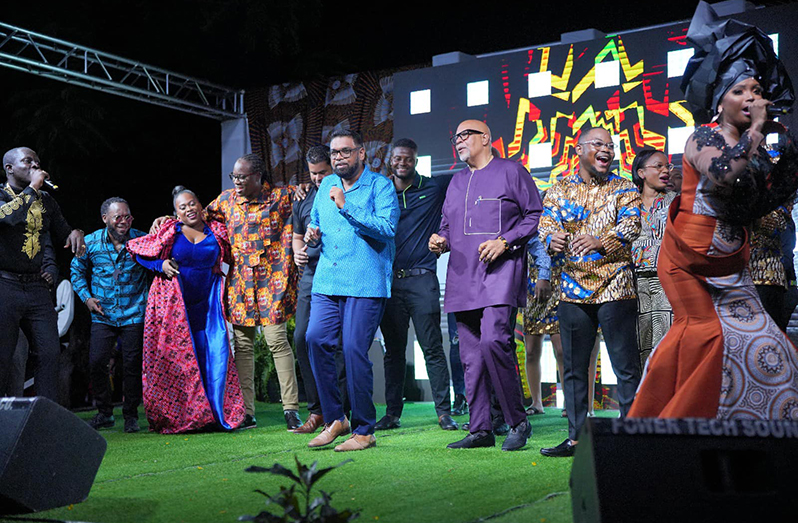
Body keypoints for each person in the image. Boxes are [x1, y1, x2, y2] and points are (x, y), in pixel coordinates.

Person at [629, 2, 798, 419]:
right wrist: (756, 132)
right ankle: (668, 428)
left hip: (731, 262)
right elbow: (722, 175)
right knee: (706, 337)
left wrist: (790, 149)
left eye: (757, 91)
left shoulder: (753, 152)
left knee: (766, 341)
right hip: (687, 262)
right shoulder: (701, 137)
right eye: (740, 91)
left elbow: (766, 201)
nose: (752, 98)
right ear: (719, 102)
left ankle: (762, 421)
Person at [154, 154, 305, 430]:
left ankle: (290, 410)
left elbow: (307, 196)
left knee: (277, 342)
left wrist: (306, 187)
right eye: (233, 177)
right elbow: (194, 214)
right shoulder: (226, 201)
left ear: (258, 176)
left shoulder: (282, 197)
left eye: (242, 177)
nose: (236, 181)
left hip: (273, 283)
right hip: (240, 286)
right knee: (244, 348)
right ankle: (247, 412)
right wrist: (167, 219)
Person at [429, 119, 541, 451]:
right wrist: (440, 239)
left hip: (500, 271)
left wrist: (505, 241)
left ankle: (518, 422)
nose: (459, 141)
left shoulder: (511, 171)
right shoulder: (456, 182)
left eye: (465, 135)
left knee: (495, 341)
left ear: (486, 138)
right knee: (471, 357)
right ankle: (480, 429)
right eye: (456, 136)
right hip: (462, 276)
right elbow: (447, 225)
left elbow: (533, 215)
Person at [538, 126, 642, 457]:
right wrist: (550, 239)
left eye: (611, 146)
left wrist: (601, 241)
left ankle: (630, 434)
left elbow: (632, 223)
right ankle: (576, 438)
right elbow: (545, 225)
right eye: (598, 144)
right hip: (571, 288)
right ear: (579, 149)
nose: (607, 150)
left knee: (625, 365)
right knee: (572, 367)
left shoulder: (624, 187)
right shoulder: (558, 189)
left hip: (616, 283)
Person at [304, 129, 399, 452]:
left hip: (365, 281)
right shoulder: (326, 187)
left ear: (361, 153)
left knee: (354, 350)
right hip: (328, 280)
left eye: (345, 151)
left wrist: (347, 207)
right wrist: (312, 234)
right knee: (315, 339)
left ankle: (364, 429)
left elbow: (387, 229)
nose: (339, 157)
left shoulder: (380, 186)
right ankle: (335, 419)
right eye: (334, 152)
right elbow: (315, 222)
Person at [128, 186, 246, 433]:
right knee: (179, 361)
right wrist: (161, 264)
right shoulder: (170, 230)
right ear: (176, 214)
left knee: (209, 355)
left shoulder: (217, 229)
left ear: (200, 206)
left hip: (206, 305)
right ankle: (184, 419)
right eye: (182, 207)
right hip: (173, 307)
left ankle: (211, 414)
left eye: (192, 203)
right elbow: (137, 251)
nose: (189, 209)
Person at [376, 138, 457, 432]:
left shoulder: (433, 187)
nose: (401, 163)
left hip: (423, 279)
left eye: (407, 159)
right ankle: (392, 414)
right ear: (390, 160)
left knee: (432, 348)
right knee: (394, 352)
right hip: (390, 283)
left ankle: (444, 413)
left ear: (416, 160)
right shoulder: (380, 192)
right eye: (397, 158)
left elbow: (468, 176)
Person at [0, 147, 84, 400]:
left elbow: (62, 231)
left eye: (37, 162)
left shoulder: (46, 200)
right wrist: (33, 189)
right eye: (28, 161)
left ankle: (47, 418)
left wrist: (75, 232)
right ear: (9, 168)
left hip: (36, 287)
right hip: (5, 286)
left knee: (49, 353)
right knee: (3, 356)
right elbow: (8, 218)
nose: (35, 166)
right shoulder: (2, 195)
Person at [71, 197, 148, 433]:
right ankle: (105, 413)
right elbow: (76, 270)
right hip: (102, 314)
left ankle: (131, 414)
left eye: (128, 216)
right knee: (96, 362)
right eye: (118, 217)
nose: (124, 221)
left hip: (134, 312)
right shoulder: (91, 242)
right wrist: (87, 298)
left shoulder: (143, 239)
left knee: (133, 365)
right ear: (105, 219)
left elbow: (161, 258)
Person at [290, 146, 348, 434]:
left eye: (322, 172)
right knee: (302, 338)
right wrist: (298, 252)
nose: (316, 178)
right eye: (312, 173)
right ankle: (316, 411)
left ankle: (338, 412)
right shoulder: (303, 199)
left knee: (334, 344)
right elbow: (297, 237)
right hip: (311, 275)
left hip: (338, 273)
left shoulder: (344, 191)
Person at [631, 147, 676, 368]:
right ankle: (642, 399)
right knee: (638, 345)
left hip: (667, 283)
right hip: (633, 284)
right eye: (658, 166)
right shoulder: (627, 203)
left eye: (667, 166)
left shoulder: (676, 202)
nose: (665, 170)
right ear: (641, 173)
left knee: (665, 345)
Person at [749, 206, 792, 332]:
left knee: (770, 328)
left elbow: (771, 226)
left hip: (768, 277)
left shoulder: (778, 212)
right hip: (747, 276)